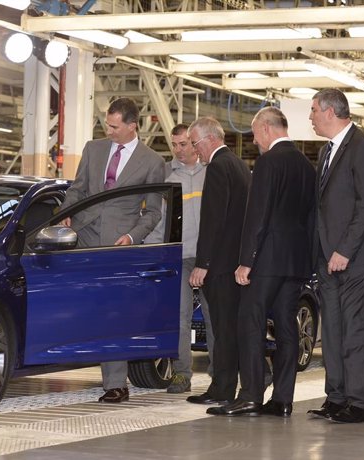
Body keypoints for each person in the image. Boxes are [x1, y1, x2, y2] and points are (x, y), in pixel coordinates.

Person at [207, 107, 315, 417]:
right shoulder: (307, 166)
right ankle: (282, 399)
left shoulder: (268, 163)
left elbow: (258, 215)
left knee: (249, 322)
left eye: (255, 134)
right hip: (294, 262)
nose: (254, 140)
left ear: (267, 129)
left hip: (266, 260)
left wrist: (246, 261)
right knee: (286, 328)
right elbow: (311, 219)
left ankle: (251, 395)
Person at [59, 97, 166, 403]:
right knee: (77, 306)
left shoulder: (152, 162)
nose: (109, 130)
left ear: (133, 126)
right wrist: (66, 211)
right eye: (107, 123)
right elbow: (77, 189)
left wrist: (133, 237)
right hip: (82, 237)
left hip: (118, 245)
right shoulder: (93, 149)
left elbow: (153, 212)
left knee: (112, 312)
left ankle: (115, 383)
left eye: (115, 126)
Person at [306, 88, 364, 423]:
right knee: (334, 332)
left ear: (329, 111)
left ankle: (359, 403)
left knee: (353, 331)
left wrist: (344, 251)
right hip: (328, 258)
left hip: (353, 258)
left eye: (312, 111)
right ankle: (336, 397)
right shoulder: (326, 151)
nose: (309, 117)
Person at [145, 123, 215, 393]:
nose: (178, 150)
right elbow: (157, 218)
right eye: (174, 145)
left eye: (184, 144)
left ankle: (219, 375)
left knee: (213, 317)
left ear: (194, 143)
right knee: (179, 317)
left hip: (209, 256)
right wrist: (151, 251)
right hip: (180, 257)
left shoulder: (211, 171)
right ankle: (182, 374)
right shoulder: (166, 174)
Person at [186, 116, 250, 407]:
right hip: (235, 263)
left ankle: (223, 389)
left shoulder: (217, 167)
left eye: (195, 143)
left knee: (224, 331)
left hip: (221, 266)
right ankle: (221, 386)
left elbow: (214, 220)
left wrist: (203, 263)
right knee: (229, 329)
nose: (194, 149)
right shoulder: (239, 165)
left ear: (210, 138)